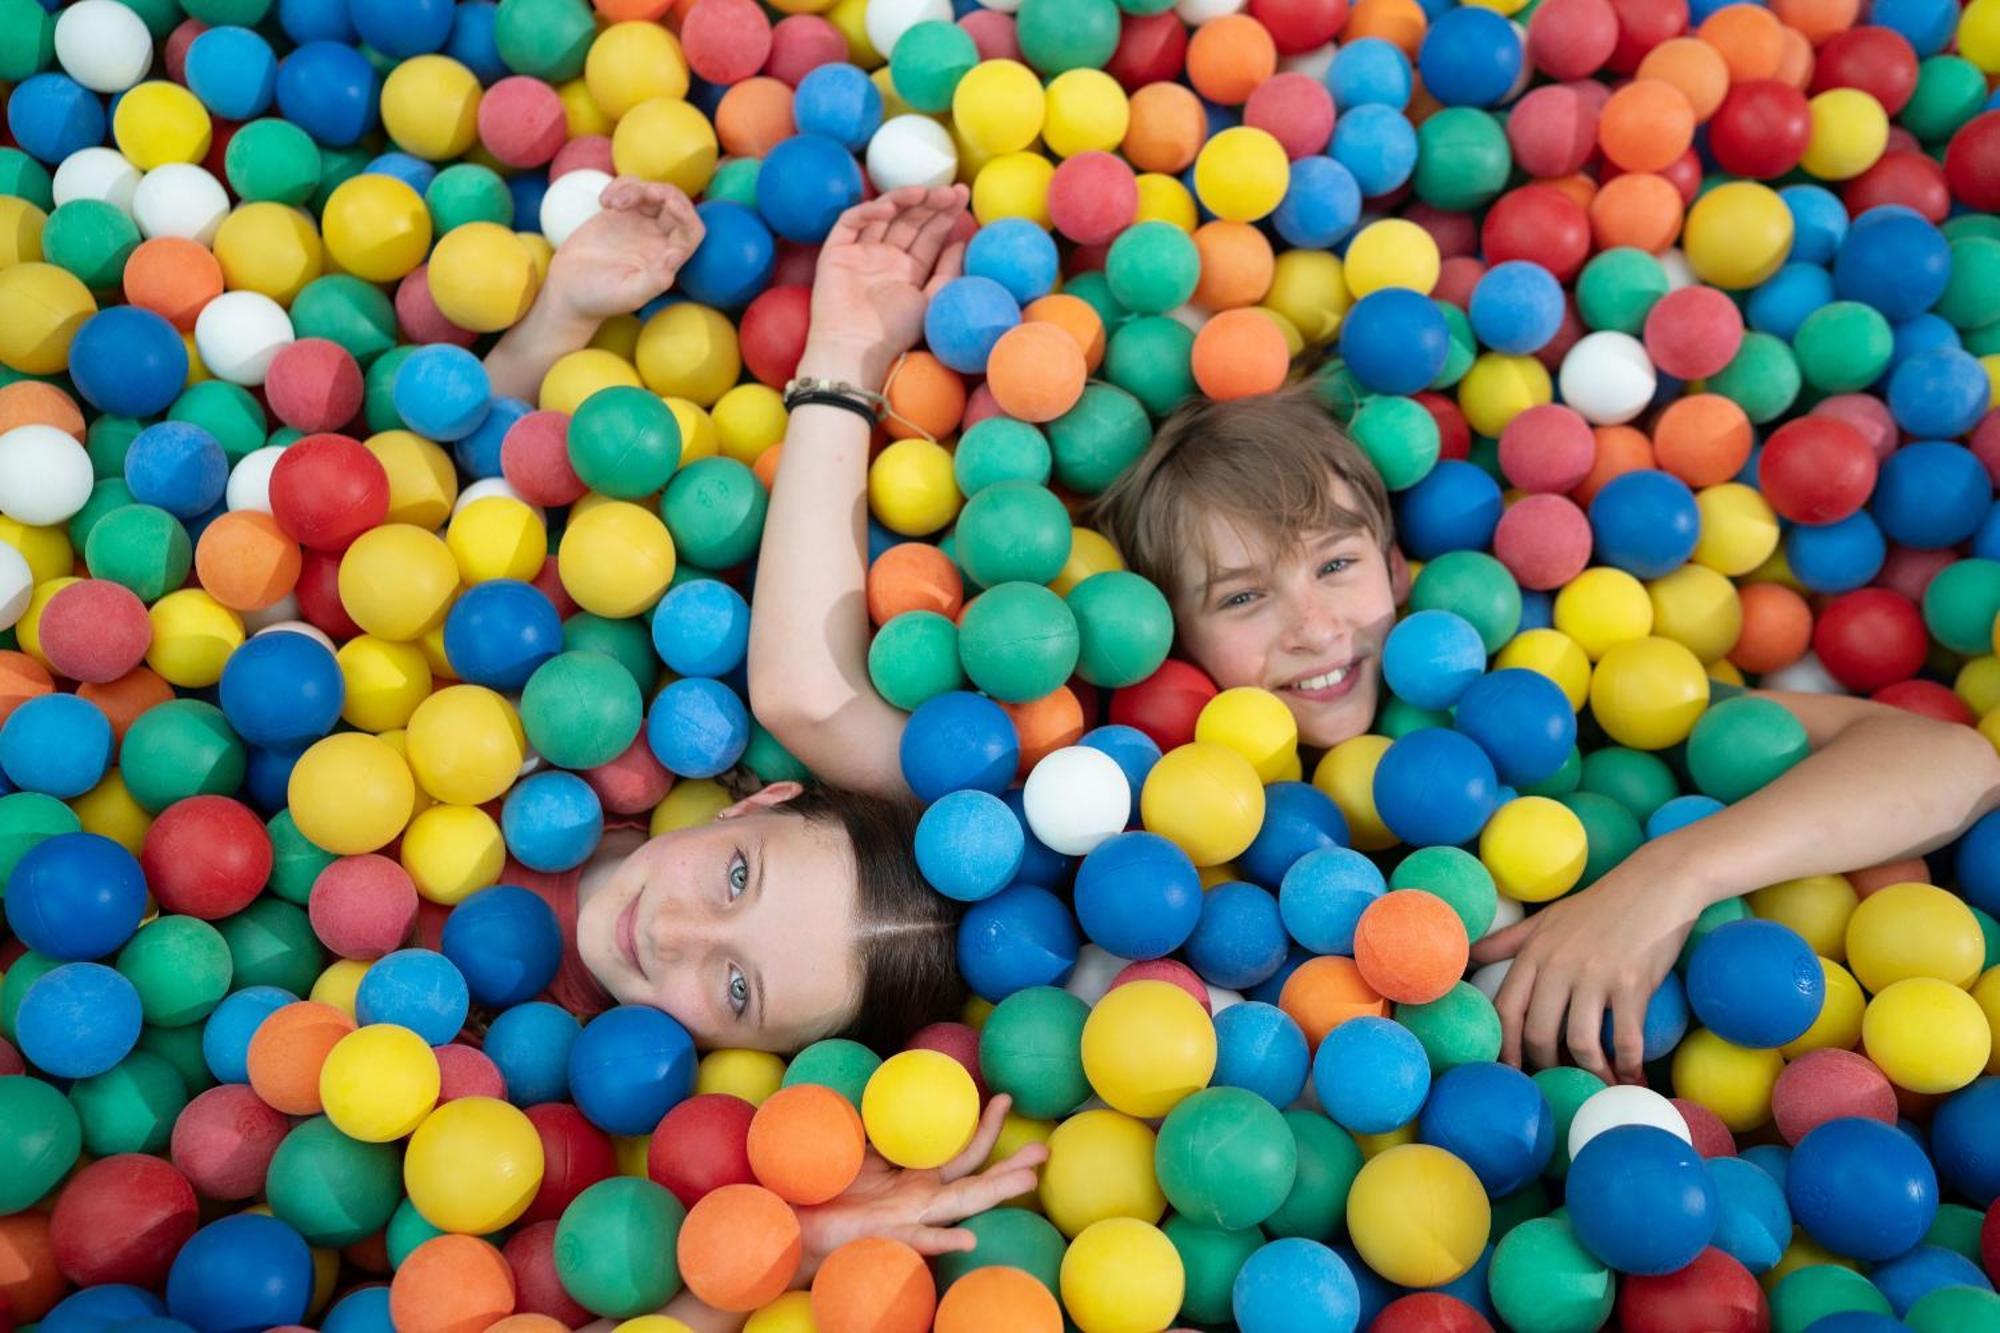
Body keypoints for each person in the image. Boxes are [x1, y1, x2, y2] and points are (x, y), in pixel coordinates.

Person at [480, 179, 1043, 1333]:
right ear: (756, 799)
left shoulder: (595, 1135)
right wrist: (559, 321)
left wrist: (783, 1254)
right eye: (736, 879)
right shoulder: (570, 734)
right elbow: (798, 686)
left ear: (763, 1064)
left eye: (733, 991)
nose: (675, 935)